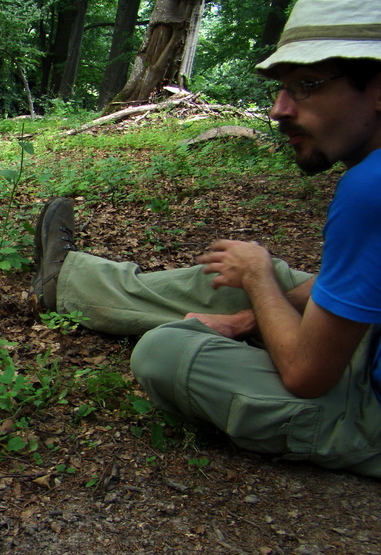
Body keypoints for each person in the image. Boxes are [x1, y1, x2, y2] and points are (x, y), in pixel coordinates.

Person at [32, 0, 381, 477]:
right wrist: (245, 317)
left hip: (369, 414)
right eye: (283, 87)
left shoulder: (370, 189)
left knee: (163, 350)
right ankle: (68, 281)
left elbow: (306, 375)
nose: (279, 108)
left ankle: (91, 293)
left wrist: (259, 279)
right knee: (238, 280)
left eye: (309, 85)